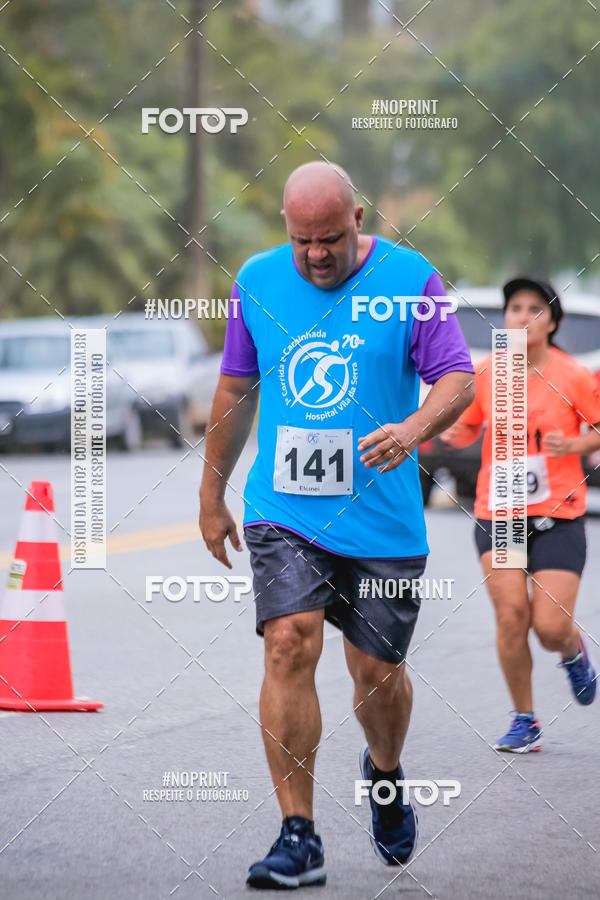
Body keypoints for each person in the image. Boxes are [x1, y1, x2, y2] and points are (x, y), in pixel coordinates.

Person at [199, 161, 474, 889]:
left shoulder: (411, 279)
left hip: (382, 519)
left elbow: (458, 376)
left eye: (328, 238)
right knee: (289, 643)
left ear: (358, 218)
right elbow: (234, 387)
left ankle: (385, 775)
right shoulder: (257, 281)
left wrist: (413, 426)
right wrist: (211, 493)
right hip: (283, 511)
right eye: (301, 241)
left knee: (377, 675)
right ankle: (299, 835)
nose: (316, 254)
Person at [442, 277, 600, 753]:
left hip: (558, 513)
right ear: (504, 318)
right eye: (514, 308)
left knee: (549, 627)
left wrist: (573, 444)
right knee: (511, 617)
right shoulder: (489, 373)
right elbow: (466, 429)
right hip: (501, 513)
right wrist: (448, 433)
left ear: (551, 323)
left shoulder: (574, 375)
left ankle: (572, 653)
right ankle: (525, 720)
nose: (522, 316)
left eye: (535, 309)